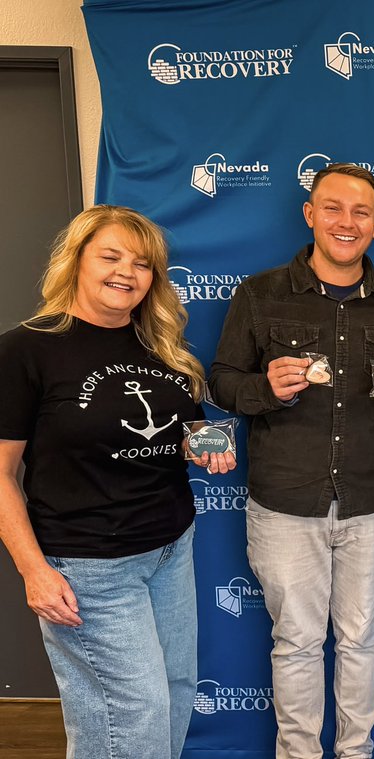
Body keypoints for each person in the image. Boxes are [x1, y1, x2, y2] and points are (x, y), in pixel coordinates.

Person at [209, 163, 374, 758]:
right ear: (309, 214)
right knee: (297, 643)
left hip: (373, 502)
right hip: (285, 502)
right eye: (332, 207)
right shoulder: (259, 294)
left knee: (362, 640)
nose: (346, 222)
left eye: (361, 212)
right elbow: (222, 381)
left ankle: (356, 753)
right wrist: (266, 387)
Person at [0, 206, 235, 759]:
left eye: (142, 263)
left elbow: (187, 427)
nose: (126, 272)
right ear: (76, 260)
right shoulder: (24, 351)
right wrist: (34, 571)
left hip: (169, 549)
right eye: (110, 256)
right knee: (130, 720)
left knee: (175, 696)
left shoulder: (162, 346)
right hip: (90, 566)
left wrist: (205, 445)